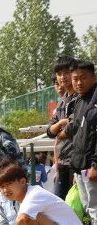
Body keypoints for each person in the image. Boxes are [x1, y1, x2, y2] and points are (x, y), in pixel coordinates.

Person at [64, 61, 97, 225]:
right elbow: (77, 131)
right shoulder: (79, 101)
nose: (78, 82)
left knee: (95, 208)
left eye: (83, 78)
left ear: (94, 78)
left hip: (91, 165)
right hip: (80, 165)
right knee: (87, 208)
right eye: (75, 79)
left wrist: (95, 163)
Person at [47, 56, 80, 199]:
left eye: (66, 72)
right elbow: (49, 131)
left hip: (77, 162)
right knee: (61, 207)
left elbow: (76, 127)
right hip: (62, 164)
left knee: (79, 208)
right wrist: (60, 124)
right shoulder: (62, 101)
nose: (62, 77)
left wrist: (60, 133)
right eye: (59, 74)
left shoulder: (81, 98)